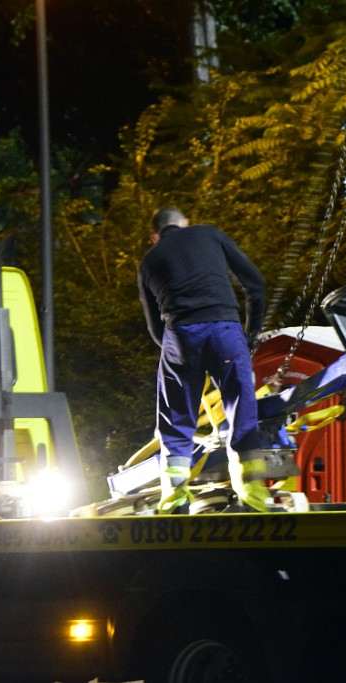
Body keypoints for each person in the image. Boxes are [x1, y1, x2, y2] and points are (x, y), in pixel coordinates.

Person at [138, 206, 276, 513]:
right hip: (225, 330)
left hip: (179, 335)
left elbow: (154, 326)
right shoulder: (209, 234)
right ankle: (254, 499)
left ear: (154, 236)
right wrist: (250, 335)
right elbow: (255, 285)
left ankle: (173, 501)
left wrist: (178, 350)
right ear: (185, 224)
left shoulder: (149, 260)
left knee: (175, 418)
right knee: (241, 411)